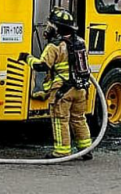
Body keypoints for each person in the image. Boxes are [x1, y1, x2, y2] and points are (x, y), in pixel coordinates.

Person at [18, 8, 93, 160]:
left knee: (60, 120)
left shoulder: (54, 46)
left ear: (57, 28)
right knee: (79, 118)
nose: (48, 28)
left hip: (63, 91)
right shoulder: (81, 42)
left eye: (51, 25)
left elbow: (41, 66)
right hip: (80, 89)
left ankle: (62, 151)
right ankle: (86, 149)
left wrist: (26, 58)